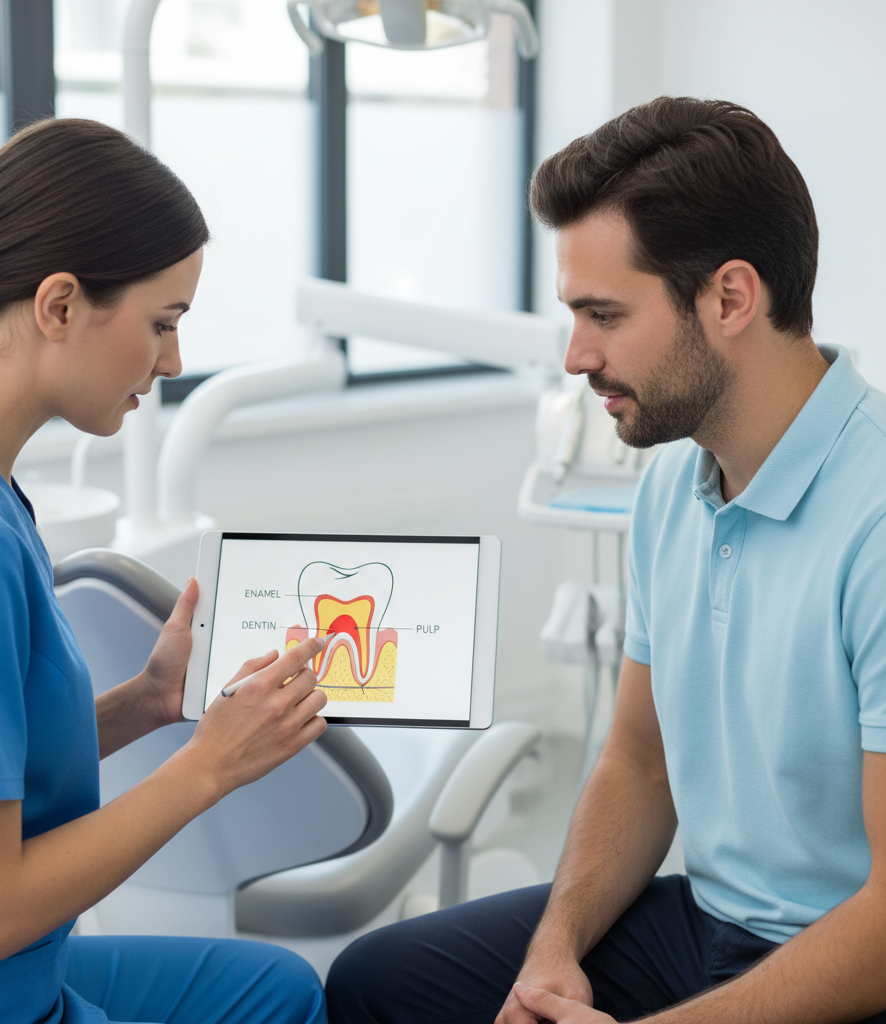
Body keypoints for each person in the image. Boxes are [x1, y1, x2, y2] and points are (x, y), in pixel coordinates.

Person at [325, 96, 886, 1024]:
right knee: (377, 983)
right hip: (704, 924)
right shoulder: (673, 489)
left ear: (731, 298)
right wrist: (552, 957)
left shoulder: (873, 516)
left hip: (846, 964)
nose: (577, 355)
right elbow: (639, 763)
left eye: (605, 314)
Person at [0, 117, 332, 1024]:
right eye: (162, 323)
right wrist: (207, 767)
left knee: (275, 989)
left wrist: (148, 701)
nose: (173, 360)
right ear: (61, 305)